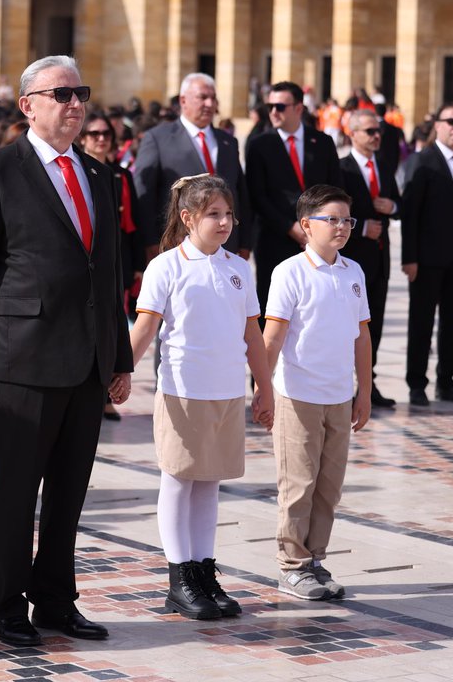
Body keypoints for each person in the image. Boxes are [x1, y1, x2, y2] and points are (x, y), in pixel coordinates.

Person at [0, 55, 133, 648]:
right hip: (22, 358)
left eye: (81, 93)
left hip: (88, 359)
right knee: (17, 490)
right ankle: (5, 605)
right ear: (27, 105)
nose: (75, 104)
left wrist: (120, 358)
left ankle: (55, 600)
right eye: (61, 94)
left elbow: (108, 272)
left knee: (69, 491)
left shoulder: (100, 174)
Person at [129, 174, 273, 620]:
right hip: (183, 391)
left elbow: (253, 334)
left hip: (227, 391)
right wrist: (117, 374)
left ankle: (204, 570)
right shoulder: (166, 266)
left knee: (210, 481)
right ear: (188, 217)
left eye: (229, 214)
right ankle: (180, 578)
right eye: (214, 214)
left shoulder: (238, 268)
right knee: (178, 479)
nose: (224, 222)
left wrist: (264, 387)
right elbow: (145, 329)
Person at [262, 184, 371, 601]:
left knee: (329, 486)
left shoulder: (354, 272)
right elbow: (273, 336)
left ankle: (315, 560)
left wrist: (364, 391)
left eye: (347, 220)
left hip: (339, 396)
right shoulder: (289, 272)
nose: (341, 227)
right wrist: (262, 388)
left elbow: (362, 337)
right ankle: (292, 565)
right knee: (298, 484)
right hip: (297, 395)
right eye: (332, 220)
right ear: (307, 225)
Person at [401, 103, 453, 406]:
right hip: (427, 257)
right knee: (422, 321)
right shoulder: (423, 161)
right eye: (451, 122)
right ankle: (417, 383)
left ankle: (446, 381)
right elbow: (411, 212)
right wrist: (409, 257)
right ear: (437, 125)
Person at [246, 81, 343, 315]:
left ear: (298, 108)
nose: (273, 112)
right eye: (269, 107)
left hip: (318, 238)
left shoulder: (322, 142)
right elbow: (257, 195)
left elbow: (334, 188)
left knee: (317, 305)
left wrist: (317, 227)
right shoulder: (259, 144)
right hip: (275, 237)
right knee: (273, 307)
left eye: (280, 106)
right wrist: (291, 228)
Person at [134, 72, 252, 261]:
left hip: (226, 248)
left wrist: (245, 242)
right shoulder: (158, 139)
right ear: (183, 100)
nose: (209, 104)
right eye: (202, 97)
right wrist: (150, 242)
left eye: (213, 98)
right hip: (178, 247)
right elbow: (144, 195)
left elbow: (240, 193)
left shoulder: (228, 141)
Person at [80, 111, 146, 419]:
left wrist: (138, 264)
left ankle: (108, 394)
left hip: (117, 257)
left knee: (112, 326)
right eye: (94, 134)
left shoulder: (121, 175)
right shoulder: (76, 170)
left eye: (106, 134)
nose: (101, 139)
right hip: (85, 258)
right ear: (83, 138)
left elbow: (133, 224)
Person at [338, 110, 401, 410]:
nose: (376, 136)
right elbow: (334, 211)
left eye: (379, 132)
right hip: (352, 257)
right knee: (347, 325)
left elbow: (399, 204)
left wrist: (393, 206)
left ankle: (368, 384)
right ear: (353, 134)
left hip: (380, 259)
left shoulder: (384, 167)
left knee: (373, 324)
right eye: (370, 131)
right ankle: (342, 384)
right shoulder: (343, 169)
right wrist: (361, 227)